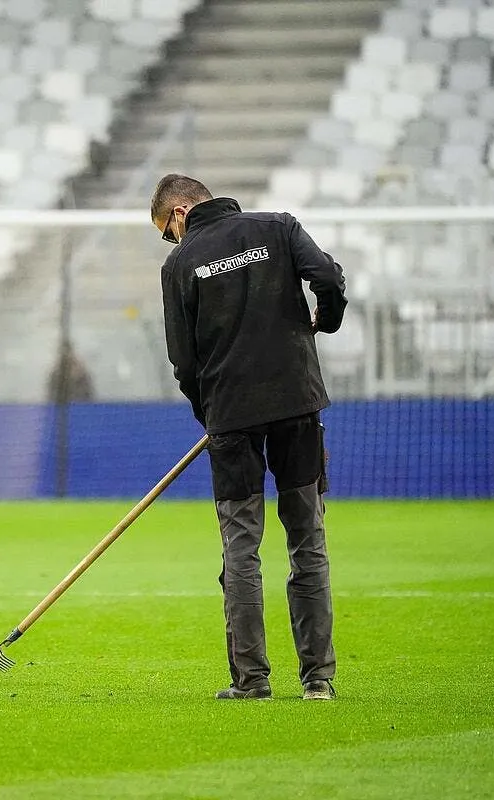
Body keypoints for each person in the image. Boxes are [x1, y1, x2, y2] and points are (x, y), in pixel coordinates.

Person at [151, 173, 348, 701]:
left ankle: (252, 681)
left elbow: (183, 362)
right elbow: (327, 276)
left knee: (241, 548)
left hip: (232, 418)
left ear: (179, 213)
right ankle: (318, 681)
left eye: (170, 232)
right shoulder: (278, 228)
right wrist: (325, 323)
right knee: (307, 539)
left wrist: (209, 413)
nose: (175, 242)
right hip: (298, 404)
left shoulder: (179, 265)